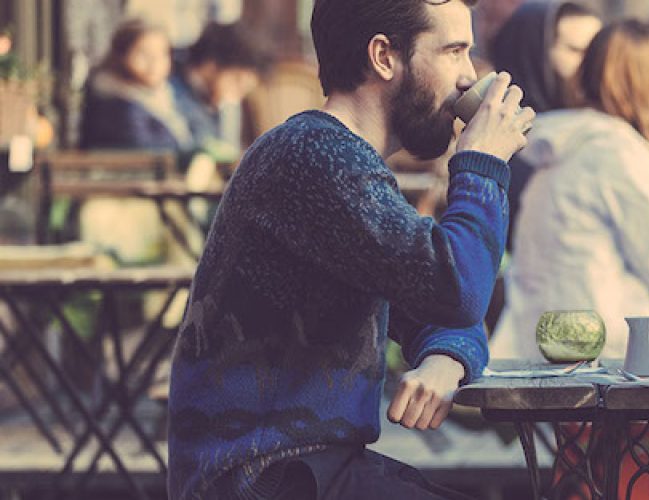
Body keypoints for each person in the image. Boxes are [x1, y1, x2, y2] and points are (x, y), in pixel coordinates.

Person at [166, 0, 534, 498]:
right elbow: (458, 288)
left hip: (307, 471)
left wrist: (446, 357)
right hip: (266, 477)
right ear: (384, 56)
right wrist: (483, 165)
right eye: (453, 51)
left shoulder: (340, 160)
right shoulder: (315, 156)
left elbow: (438, 301)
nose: (470, 76)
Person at [492, 19, 649, 365]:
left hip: (538, 336)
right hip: (606, 343)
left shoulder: (568, 143)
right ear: (643, 81)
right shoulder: (619, 152)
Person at [489, 0, 602, 249]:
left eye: (597, 53)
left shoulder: (608, 132)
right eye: (576, 50)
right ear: (531, 52)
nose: (592, 65)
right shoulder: (492, 135)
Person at [80, 20, 196, 152]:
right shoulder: (116, 104)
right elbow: (143, 149)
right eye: (144, 54)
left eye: (162, 54)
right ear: (121, 57)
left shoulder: (165, 95)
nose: (155, 63)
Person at [169, 21, 273, 160]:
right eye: (237, 83)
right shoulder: (168, 91)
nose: (236, 97)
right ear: (211, 65)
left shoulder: (208, 100)